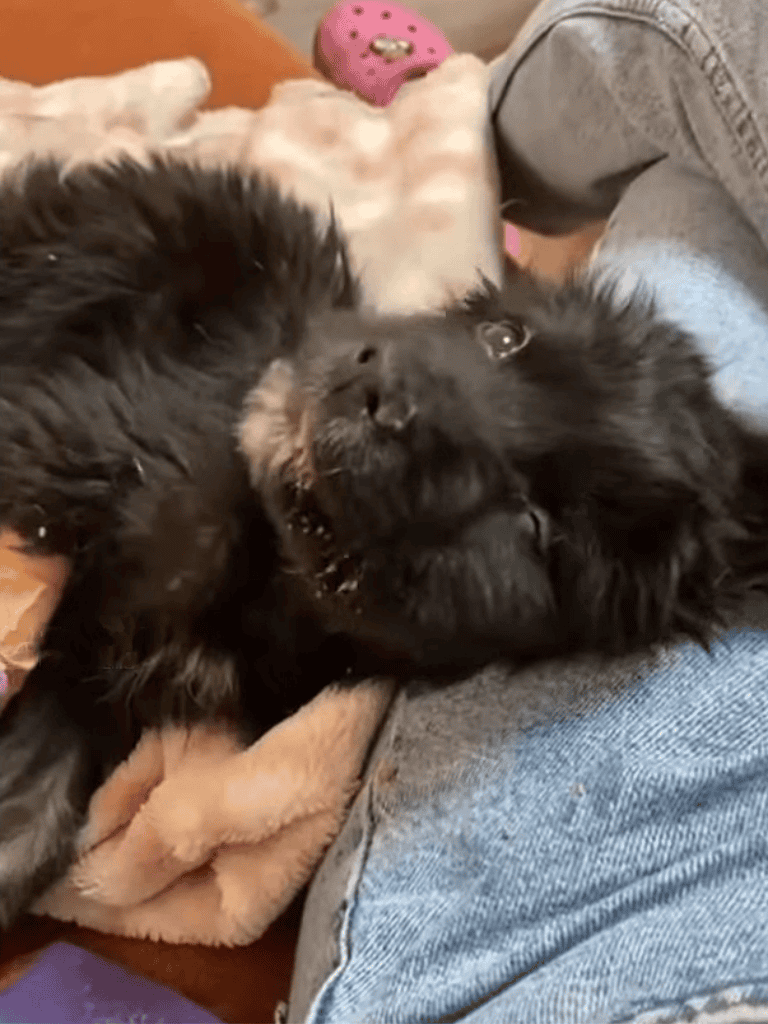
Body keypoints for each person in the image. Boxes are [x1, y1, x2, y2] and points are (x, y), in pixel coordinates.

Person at [286, 2, 768, 1021]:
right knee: (683, 199)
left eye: (533, 520)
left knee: (691, 132)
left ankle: (461, 129)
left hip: (563, 951)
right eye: (501, 343)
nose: (393, 381)